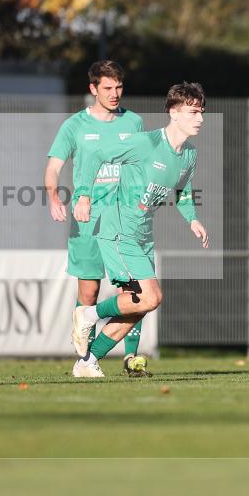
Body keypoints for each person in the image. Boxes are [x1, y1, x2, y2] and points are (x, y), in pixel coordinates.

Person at [70, 81, 209, 378]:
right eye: (193, 112)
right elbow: (96, 155)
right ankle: (88, 314)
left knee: (138, 305)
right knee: (151, 297)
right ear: (173, 113)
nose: (200, 118)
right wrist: (83, 195)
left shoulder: (189, 154)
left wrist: (193, 219)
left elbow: (183, 191)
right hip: (119, 231)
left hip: (143, 236)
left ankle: (87, 362)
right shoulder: (146, 143)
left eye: (201, 112)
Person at [44, 61, 151, 377]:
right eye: (107, 88)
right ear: (93, 89)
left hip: (124, 220)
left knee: (135, 291)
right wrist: (53, 196)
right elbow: (53, 167)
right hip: (87, 220)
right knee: (88, 294)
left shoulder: (133, 122)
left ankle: (131, 357)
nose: (114, 93)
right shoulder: (74, 125)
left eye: (119, 87)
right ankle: (85, 360)